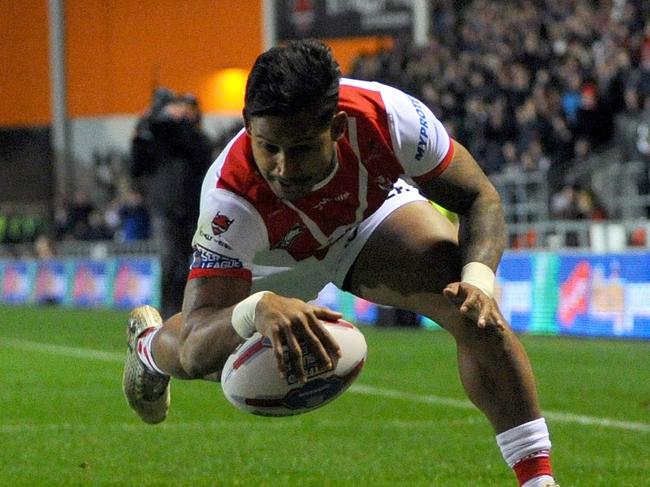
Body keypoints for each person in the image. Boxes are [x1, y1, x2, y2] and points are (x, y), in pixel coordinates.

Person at [122, 40, 558, 487]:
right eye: (268, 146)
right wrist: (256, 308)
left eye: (302, 148)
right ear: (247, 125)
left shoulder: (391, 118)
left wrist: (479, 281)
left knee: (472, 309)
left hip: (365, 221)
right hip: (271, 260)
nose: (284, 168)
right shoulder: (228, 199)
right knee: (204, 356)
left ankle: (538, 481)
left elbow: (479, 195)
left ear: (337, 126)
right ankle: (149, 349)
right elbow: (196, 341)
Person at [130, 88, 214, 318]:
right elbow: (138, 166)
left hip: (194, 212)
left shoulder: (198, 140)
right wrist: (145, 126)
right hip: (165, 210)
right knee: (170, 264)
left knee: (193, 265)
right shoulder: (160, 142)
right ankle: (169, 314)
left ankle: (190, 311)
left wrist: (178, 123)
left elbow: (196, 150)